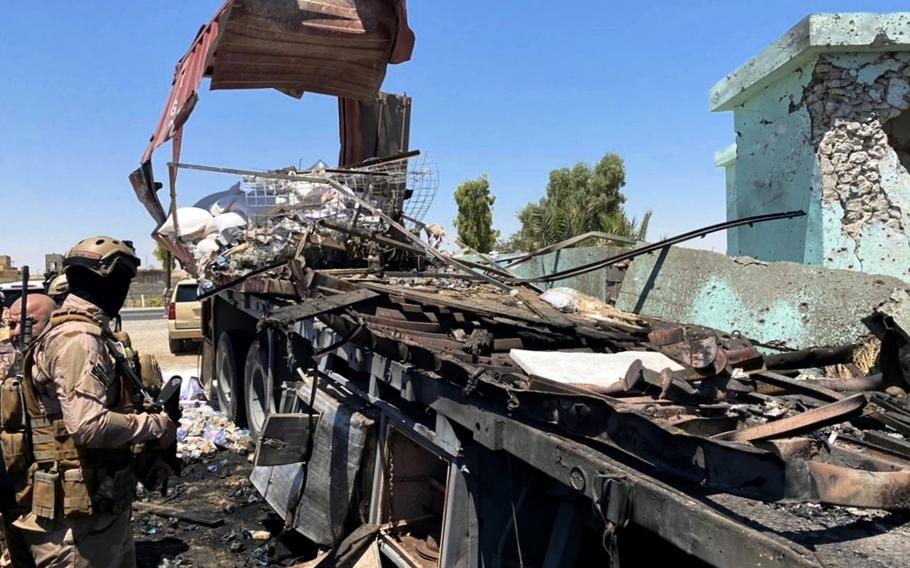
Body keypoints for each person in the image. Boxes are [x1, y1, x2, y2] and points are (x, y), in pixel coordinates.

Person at [1, 236, 177, 568]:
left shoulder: (87, 333)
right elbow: (88, 425)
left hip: (101, 511)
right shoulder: (79, 339)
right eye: (123, 280)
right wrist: (156, 426)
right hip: (77, 527)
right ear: (106, 281)